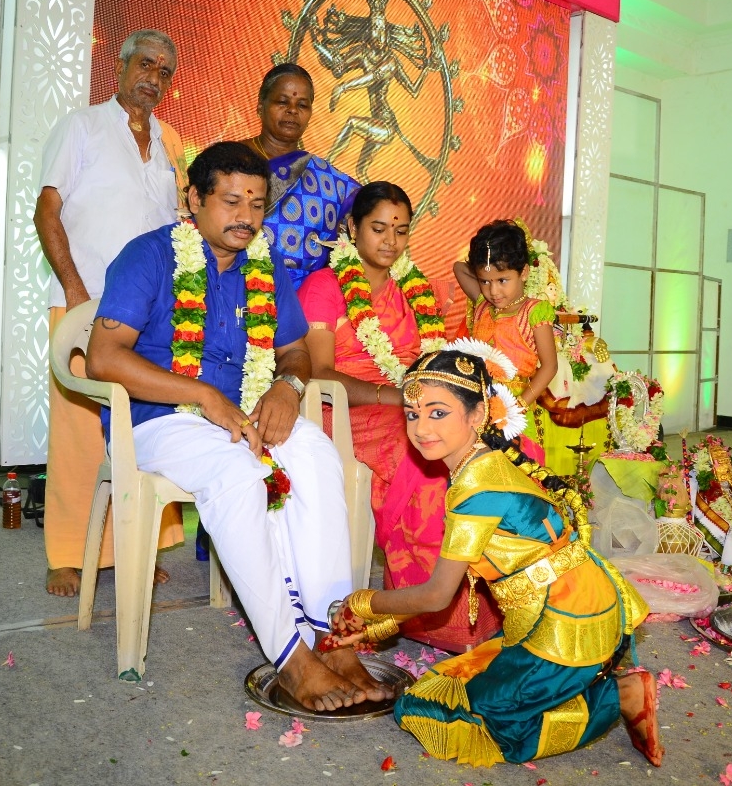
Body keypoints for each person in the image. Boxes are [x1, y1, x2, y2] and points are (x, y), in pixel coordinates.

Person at [84, 141, 390, 711]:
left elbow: (295, 350)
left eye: (256, 203)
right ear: (193, 201)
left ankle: (333, 635)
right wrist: (203, 396)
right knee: (236, 473)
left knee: (318, 456)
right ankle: (291, 658)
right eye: (230, 201)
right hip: (160, 419)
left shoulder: (263, 263)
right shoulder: (148, 256)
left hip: (246, 409)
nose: (246, 216)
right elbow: (103, 358)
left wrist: (286, 386)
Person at [325, 347, 658, 767]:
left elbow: (436, 595)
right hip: (574, 606)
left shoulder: (475, 489)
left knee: (433, 714)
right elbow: (447, 590)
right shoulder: (486, 460)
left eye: (438, 413)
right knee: (443, 683)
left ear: (478, 413)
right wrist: (378, 628)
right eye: (412, 413)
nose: (421, 428)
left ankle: (619, 695)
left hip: (565, 625)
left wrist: (362, 603)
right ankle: (579, 682)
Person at [297, 182, 502, 652]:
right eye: (379, 228)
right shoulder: (324, 287)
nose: (391, 240)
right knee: (426, 453)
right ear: (352, 227)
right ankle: (432, 614)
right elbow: (318, 373)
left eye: (401, 230)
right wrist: (396, 398)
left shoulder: (412, 289)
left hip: (409, 407)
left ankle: (490, 604)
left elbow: (428, 363)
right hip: (345, 411)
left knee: (485, 442)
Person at [34, 29, 189, 597]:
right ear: (121, 67)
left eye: (165, 71)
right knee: (79, 433)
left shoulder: (172, 141)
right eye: (145, 64)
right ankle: (67, 554)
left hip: (149, 315)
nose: (154, 77)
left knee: (144, 427)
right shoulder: (81, 127)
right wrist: (76, 292)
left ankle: (137, 547)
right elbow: (46, 211)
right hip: (88, 304)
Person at [242, 63, 360, 289]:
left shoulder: (326, 178)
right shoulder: (229, 160)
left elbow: (368, 214)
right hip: (237, 286)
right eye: (282, 102)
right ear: (260, 106)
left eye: (302, 105)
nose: (292, 110)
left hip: (306, 298)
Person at [454, 220, 558, 458]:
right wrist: (486, 257)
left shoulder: (534, 311)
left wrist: (518, 407)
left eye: (502, 280)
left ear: (524, 272)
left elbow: (550, 366)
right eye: (485, 281)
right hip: (478, 404)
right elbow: (458, 267)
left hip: (516, 411)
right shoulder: (483, 304)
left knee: (515, 469)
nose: (493, 291)